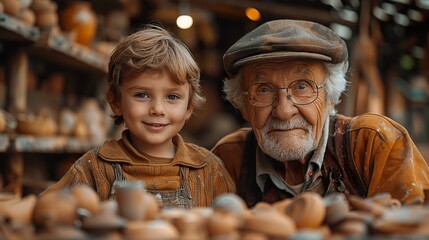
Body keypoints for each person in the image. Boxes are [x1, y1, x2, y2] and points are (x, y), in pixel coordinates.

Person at [211, 19, 429, 207]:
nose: (284, 112)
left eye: (303, 87)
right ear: (243, 106)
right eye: (264, 90)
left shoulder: (376, 144)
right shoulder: (229, 159)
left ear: (330, 98)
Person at [43, 24, 235, 208]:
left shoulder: (209, 170)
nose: (158, 109)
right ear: (115, 101)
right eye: (142, 95)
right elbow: (47, 210)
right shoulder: (94, 168)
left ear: (189, 108)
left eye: (172, 96)